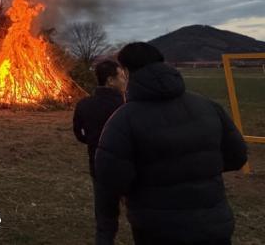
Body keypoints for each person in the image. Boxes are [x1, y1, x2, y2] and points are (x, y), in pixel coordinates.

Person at [95, 42, 248, 245]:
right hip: (213, 227)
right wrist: (201, 168)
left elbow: (110, 182)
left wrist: (105, 235)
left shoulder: (122, 120)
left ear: (127, 71)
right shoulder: (208, 106)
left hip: (157, 231)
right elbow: (238, 156)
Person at [72, 60, 126, 244]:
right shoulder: (127, 105)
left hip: (99, 167)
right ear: (110, 80)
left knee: (105, 221)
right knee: (140, 215)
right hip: (129, 168)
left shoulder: (84, 105)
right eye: (121, 77)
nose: (125, 80)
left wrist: (94, 142)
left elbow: (79, 134)